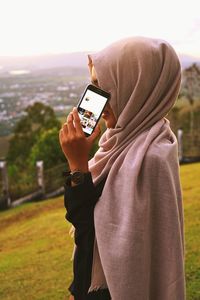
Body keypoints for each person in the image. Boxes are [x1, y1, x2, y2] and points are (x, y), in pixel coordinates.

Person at [59, 36, 186, 300]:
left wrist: (78, 165)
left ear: (135, 86)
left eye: (105, 86)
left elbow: (93, 228)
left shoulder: (151, 155)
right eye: (94, 87)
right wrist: (77, 288)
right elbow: (89, 236)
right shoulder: (115, 145)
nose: (100, 103)